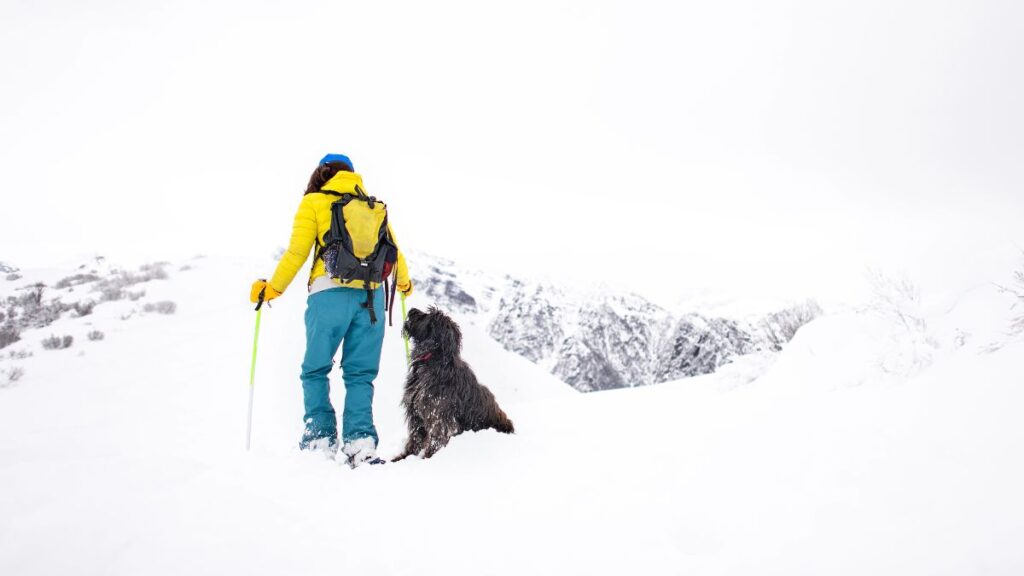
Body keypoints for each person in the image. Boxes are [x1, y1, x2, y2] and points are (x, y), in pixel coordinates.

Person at [250, 153, 412, 467]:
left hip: (328, 294)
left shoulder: (314, 202)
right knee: (361, 374)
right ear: (352, 174)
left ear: (323, 173)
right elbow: (395, 250)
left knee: (315, 369)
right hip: (372, 297)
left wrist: (273, 289)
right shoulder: (370, 205)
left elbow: (297, 252)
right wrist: (404, 284)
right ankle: (361, 444)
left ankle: (319, 440)